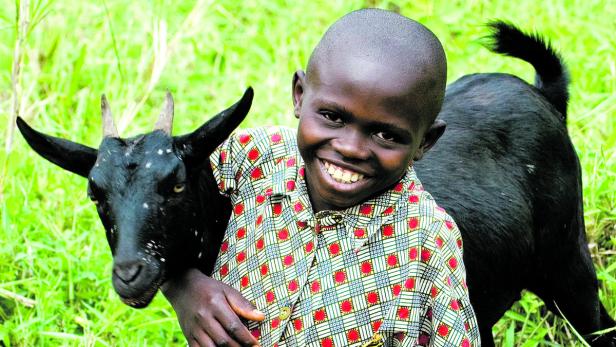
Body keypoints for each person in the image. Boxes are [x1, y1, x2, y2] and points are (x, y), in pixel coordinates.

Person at [163, 8, 480, 347]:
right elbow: (149, 211)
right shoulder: (252, 157)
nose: (351, 148)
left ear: (425, 142)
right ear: (299, 94)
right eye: (332, 116)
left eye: (387, 136)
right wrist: (182, 286)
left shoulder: (429, 239)